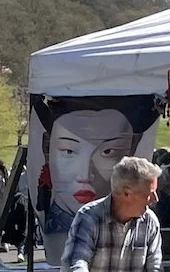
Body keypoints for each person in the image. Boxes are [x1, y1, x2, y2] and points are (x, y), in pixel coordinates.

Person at [32, 97, 159, 262]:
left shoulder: (147, 222)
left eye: (108, 152)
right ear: (46, 147)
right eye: (69, 151)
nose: (85, 175)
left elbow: (154, 269)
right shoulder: (85, 216)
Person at [61, 155, 163, 272]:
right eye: (149, 194)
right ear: (127, 193)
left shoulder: (150, 222)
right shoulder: (89, 217)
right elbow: (75, 265)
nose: (156, 199)